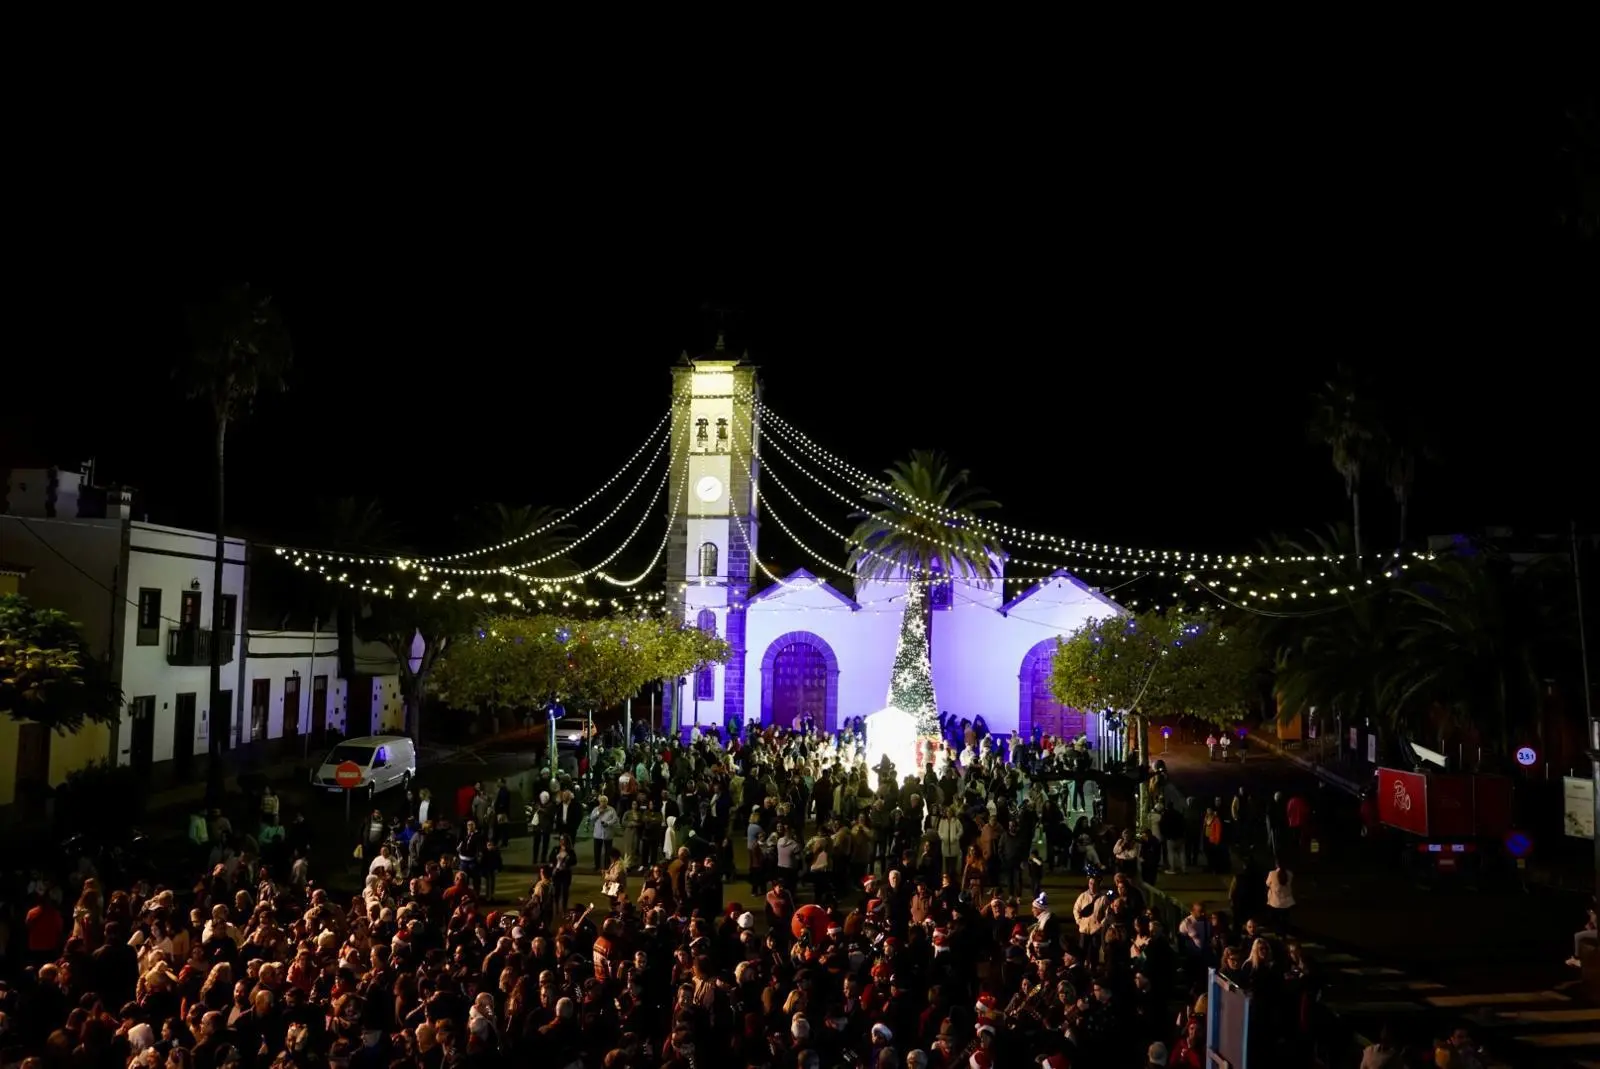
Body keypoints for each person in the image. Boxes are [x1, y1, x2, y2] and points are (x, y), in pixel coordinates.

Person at [1569, 897, 1600, 967]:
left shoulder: (1594, 915)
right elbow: (1589, 926)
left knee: (1577, 936)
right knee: (1579, 936)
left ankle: (1576, 957)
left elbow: (1594, 923)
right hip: (1596, 931)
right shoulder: (1593, 915)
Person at [1266, 862, 1295, 932]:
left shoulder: (1272, 873)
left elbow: (1267, 884)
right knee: (1285, 920)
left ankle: (1277, 932)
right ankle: (1284, 932)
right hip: (1287, 902)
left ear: (1277, 865)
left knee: (1276, 920)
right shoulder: (1290, 874)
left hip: (1275, 902)